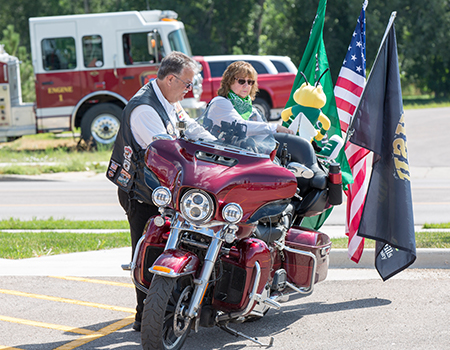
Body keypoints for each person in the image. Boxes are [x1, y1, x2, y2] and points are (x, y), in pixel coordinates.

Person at [106, 51, 209, 332]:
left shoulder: (167, 100)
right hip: (140, 193)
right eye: (187, 84)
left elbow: (190, 126)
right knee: (146, 254)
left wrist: (215, 145)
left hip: (159, 191)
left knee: (170, 247)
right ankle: (144, 317)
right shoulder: (145, 109)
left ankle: (166, 309)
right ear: (171, 78)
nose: (189, 90)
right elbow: (168, 150)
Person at [206, 61, 293, 136]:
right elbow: (241, 126)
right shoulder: (220, 103)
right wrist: (276, 127)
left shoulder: (251, 110)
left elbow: (264, 134)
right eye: (241, 81)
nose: (246, 85)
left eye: (250, 82)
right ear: (229, 81)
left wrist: (285, 132)